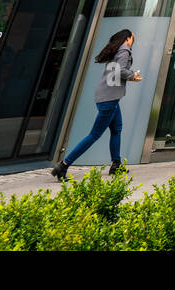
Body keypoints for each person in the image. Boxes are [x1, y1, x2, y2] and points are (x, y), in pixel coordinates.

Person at [51, 29, 141, 180]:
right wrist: (133, 75)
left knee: (116, 129)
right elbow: (120, 71)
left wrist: (129, 77)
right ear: (127, 38)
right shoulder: (125, 50)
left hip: (107, 96)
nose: (133, 42)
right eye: (132, 38)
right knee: (94, 135)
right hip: (109, 99)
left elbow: (115, 74)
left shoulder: (117, 50)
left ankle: (116, 165)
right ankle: (63, 165)